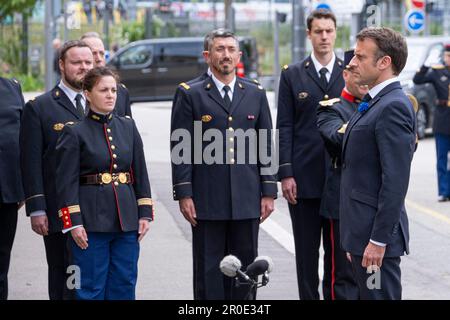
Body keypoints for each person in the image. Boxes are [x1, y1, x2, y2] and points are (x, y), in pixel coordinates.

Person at [171, 29, 277, 300]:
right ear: (208, 55)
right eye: (219, 49)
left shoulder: (254, 92)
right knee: (210, 269)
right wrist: (184, 194)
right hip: (207, 199)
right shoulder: (190, 94)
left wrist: (268, 191)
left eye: (231, 49)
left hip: (246, 197)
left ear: (239, 55)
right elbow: (181, 148)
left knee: (246, 270)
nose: (226, 54)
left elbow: (264, 143)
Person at [54, 67, 153, 300]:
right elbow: (65, 183)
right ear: (87, 94)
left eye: (113, 90)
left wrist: (145, 213)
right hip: (90, 223)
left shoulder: (128, 126)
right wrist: (73, 223)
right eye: (103, 90)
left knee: (124, 284)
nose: (110, 95)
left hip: (126, 221)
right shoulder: (74, 132)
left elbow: (140, 172)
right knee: (89, 288)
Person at [341, 27, 415, 300]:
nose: (351, 62)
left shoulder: (392, 106)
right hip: (362, 234)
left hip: (375, 240)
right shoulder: (376, 101)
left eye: (361, 56)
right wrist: (355, 236)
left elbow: (395, 182)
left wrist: (377, 240)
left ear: (384, 63)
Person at [276, 9, 345, 300]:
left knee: (339, 256)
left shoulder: (350, 72)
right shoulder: (292, 75)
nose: (324, 37)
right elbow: (284, 126)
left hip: (341, 179)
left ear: (335, 32)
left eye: (329, 31)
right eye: (318, 31)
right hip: (303, 180)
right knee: (306, 255)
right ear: (309, 35)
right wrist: (286, 173)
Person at [20, 40, 94, 300]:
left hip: (99, 207)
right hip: (58, 208)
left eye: (88, 62)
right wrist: (37, 208)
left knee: (93, 275)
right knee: (65, 275)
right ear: (62, 65)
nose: (83, 68)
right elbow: (31, 162)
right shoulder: (39, 107)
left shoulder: (105, 101)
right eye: (77, 62)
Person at [316, 50, 367, 300]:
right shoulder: (331, 109)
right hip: (342, 202)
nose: (364, 79)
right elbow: (337, 139)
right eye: (357, 73)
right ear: (345, 74)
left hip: (372, 201)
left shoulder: (381, 105)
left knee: (373, 274)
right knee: (344, 274)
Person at [413, 44, 450, 202]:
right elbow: (418, 79)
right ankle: (443, 191)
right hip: (442, 119)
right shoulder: (437, 71)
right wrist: (425, 65)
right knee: (441, 158)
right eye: (448, 56)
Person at [0, 77, 25, 300]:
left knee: (1, 262)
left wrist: (22, 186)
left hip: (6, 192)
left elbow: (23, 138)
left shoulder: (11, 87)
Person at [81, 32, 132, 117]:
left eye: (102, 53)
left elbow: (127, 127)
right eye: (93, 54)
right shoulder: (76, 93)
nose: (99, 59)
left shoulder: (121, 92)